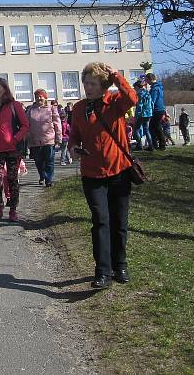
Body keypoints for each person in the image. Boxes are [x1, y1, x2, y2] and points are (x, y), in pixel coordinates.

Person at [68, 62, 137, 289]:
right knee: (100, 221)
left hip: (119, 170)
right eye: (86, 83)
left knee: (119, 222)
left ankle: (121, 265)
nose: (88, 87)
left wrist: (116, 74)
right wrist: (73, 148)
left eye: (93, 84)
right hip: (92, 173)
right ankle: (102, 271)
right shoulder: (78, 108)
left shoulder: (115, 102)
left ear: (103, 85)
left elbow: (132, 98)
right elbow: (74, 135)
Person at [0, 77, 30, 222]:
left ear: (5, 89)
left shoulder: (14, 105)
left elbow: (25, 125)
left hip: (12, 149)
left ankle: (13, 209)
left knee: (12, 179)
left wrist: (15, 138)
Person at [27, 89, 62, 187]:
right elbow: (26, 124)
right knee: (38, 162)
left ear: (45, 97)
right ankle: (42, 176)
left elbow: (57, 124)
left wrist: (59, 138)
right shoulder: (31, 110)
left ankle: (49, 179)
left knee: (49, 161)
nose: (39, 98)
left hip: (49, 140)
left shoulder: (51, 109)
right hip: (35, 141)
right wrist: (28, 137)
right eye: (37, 97)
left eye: (41, 96)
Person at [146, 73, 166, 150]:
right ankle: (159, 144)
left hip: (156, 110)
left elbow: (152, 100)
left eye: (147, 80)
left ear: (149, 79)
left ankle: (157, 145)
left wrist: (148, 109)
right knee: (157, 127)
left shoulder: (154, 88)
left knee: (153, 127)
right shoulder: (159, 87)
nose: (147, 82)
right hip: (160, 109)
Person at [133, 80, 153, 151]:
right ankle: (151, 146)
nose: (134, 89)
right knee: (147, 130)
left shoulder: (139, 94)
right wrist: (151, 112)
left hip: (142, 114)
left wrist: (136, 116)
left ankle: (139, 145)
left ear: (137, 87)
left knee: (135, 130)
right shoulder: (147, 93)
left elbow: (139, 106)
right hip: (148, 114)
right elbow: (152, 103)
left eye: (134, 87)